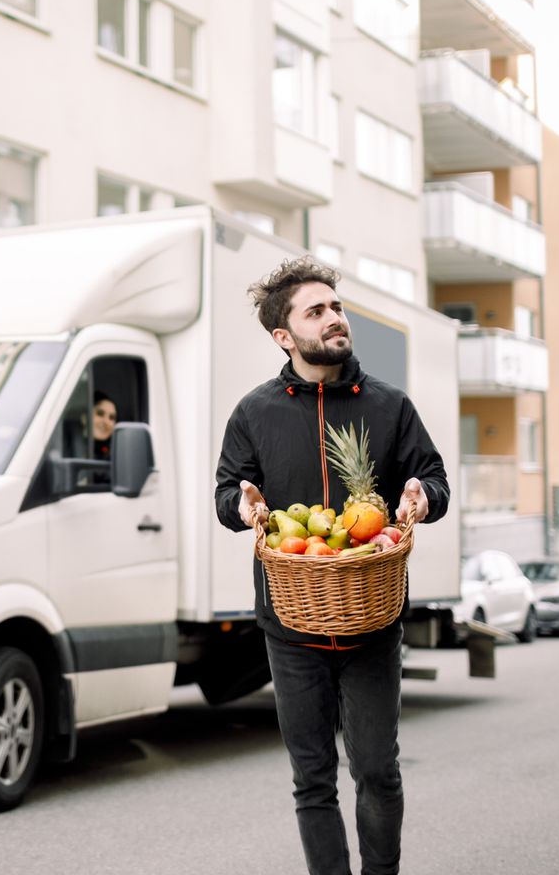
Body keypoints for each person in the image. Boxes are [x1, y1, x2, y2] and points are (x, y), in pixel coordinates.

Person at [214, 256, 449, 875]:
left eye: (336, 306)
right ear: (284, 336)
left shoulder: (390, 406)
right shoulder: (253, 413)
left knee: (376, 769)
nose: (334, 318)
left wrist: (424, 496)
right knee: (312, 777)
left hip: (372, 619)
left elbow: (434, 477)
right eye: (316, 311)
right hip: (291, 624)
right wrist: (241, 506)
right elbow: (225, 495)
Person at [91, 392, 118, 461]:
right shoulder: (66, 446)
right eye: (100, 413)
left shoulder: (116, 458)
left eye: (111, 418)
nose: (106, 421)